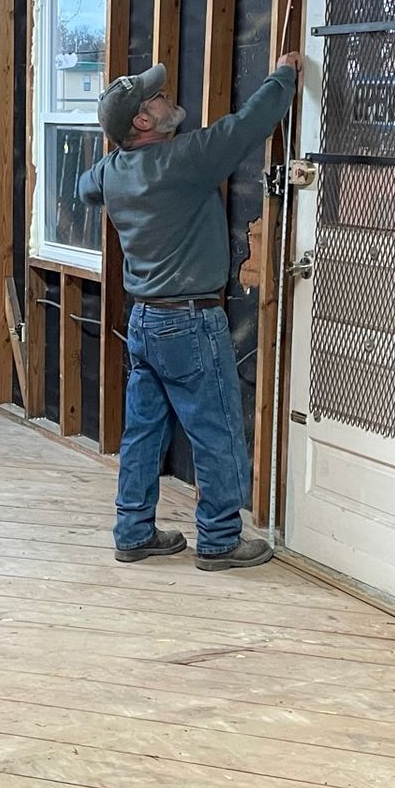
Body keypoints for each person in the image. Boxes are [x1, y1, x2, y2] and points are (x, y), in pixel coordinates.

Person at [79, 53, 302, 571]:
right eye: (156, 97)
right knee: (217, 430)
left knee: (142, 433)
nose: (166, 97)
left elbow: (82, 188)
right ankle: (222, 541)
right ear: (143, 121)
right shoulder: (184, 160)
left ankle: (133, 532)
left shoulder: (112, 171)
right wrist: (284, 75)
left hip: (144, 322)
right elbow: (247, 125)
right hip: (191, 322)